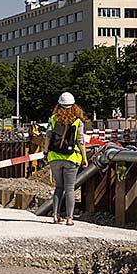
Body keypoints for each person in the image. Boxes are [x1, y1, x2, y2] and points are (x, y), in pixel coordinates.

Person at [45, 92, 87, 225]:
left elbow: (48, 137)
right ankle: (69, 218)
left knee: (59, 187)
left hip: (54, 157)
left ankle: (55, 215)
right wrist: (84, 158)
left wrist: (46, 152)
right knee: (69, 188)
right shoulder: (77, 121)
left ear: (59, 105)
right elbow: (81, 141)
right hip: (71, 158)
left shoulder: (53, 119)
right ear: (73, 106)